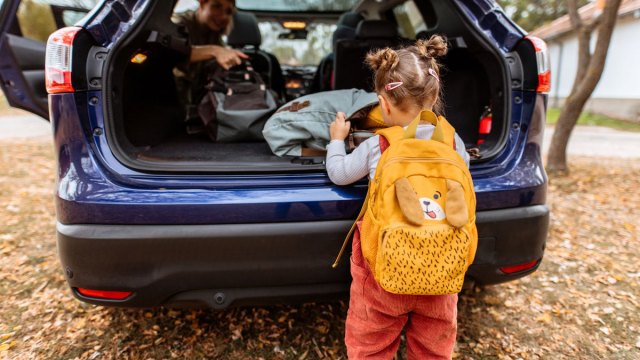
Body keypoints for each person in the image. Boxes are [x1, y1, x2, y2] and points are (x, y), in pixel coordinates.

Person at [325, 36, 470, 359]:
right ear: (434, 98)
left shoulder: (379, 145)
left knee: (371, 343)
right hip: (441, 271)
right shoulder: (453, 144)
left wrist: (337, 140)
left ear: (383, 103)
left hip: (383, 274)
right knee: (434, 346)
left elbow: (339, 173)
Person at [173, 0, 248, 111]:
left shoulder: (214, 34)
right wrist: (214, 51)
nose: (223, 16)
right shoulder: (179, 23)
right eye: (216, 6)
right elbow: (171, 52)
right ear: (202, 3)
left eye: (228, 11)